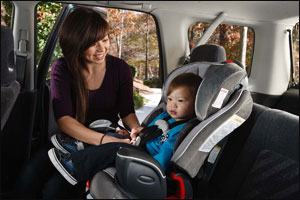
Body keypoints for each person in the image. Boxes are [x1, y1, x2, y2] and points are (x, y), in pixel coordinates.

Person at [15, 7, 143, 199]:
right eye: (92, 43)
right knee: (27, 178)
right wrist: (105, 142)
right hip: (70, 140)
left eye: (105, 40)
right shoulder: (62, 68)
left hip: (104, 137)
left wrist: (135, 127)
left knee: (54, 190)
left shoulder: (121, 69)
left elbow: (127, 111)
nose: (101, 49)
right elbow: (64, 120)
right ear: (76, 43)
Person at [48, 72, 203, 185]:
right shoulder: (163, 116)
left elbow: (164, 156)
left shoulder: (181, 130)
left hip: (148, 161)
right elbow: (147, 131)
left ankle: (75, 166)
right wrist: (131, 135)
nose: (172, 105)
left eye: (180, 101)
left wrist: (150, 169)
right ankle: (77, 147)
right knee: (115, 136)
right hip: (141, 146)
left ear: (196, 104)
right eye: (169, 99)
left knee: (118, 148)